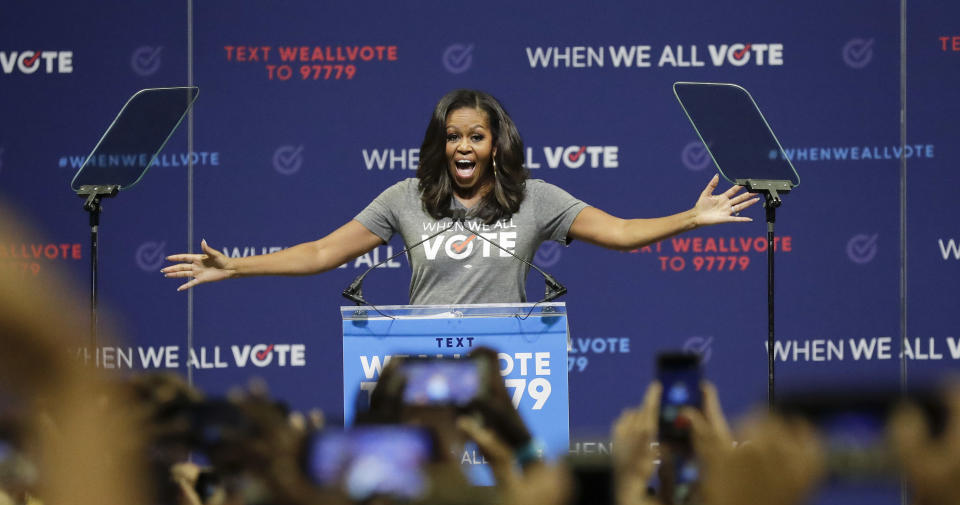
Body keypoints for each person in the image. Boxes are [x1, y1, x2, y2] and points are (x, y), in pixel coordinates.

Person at [162, 89, 759, 304]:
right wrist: (235, 266)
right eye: (453, 137)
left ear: (497, 142)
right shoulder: (405, 198)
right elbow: (321, 253)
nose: (463, 147)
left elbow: (623, 233)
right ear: (441, 145)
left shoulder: (537, 198)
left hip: (510, 371)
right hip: (426, 368)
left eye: (475, 136)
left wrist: (692, 216)